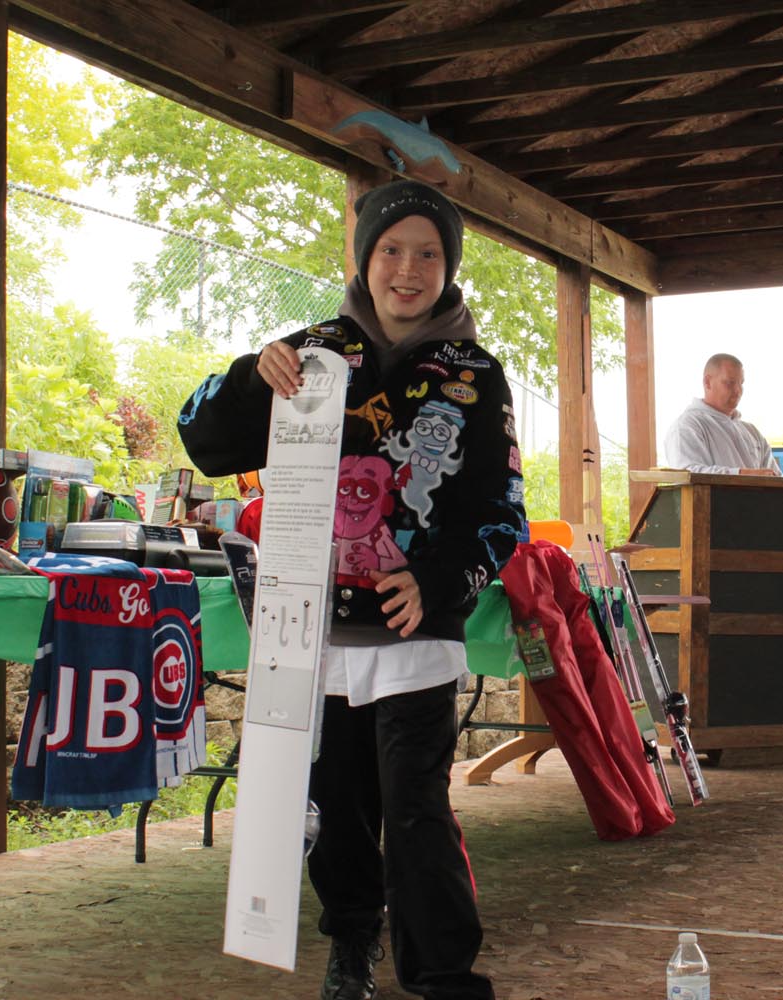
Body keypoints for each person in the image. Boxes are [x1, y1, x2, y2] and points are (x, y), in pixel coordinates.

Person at [178, 179, 524, 1000]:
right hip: (311, 631)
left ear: (448, 267)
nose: (408, 269)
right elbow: (206, 441)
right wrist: (250, 379)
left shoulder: (478, 376)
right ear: (364, 259)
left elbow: (501, 511)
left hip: (414, 635)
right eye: (391, 250)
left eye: (428, 254)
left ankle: (442, 974)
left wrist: (439, 579)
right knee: (334, 805)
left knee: (416, 808)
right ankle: (352, 939)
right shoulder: (310, 354)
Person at [663, 353, 782, 475]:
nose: (738, 390)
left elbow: (774, 476)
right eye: (730, 383)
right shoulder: (687, 426)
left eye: (741, 383)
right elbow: (687, 473)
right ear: (707, 382)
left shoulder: (752, 432)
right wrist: (744, 474)